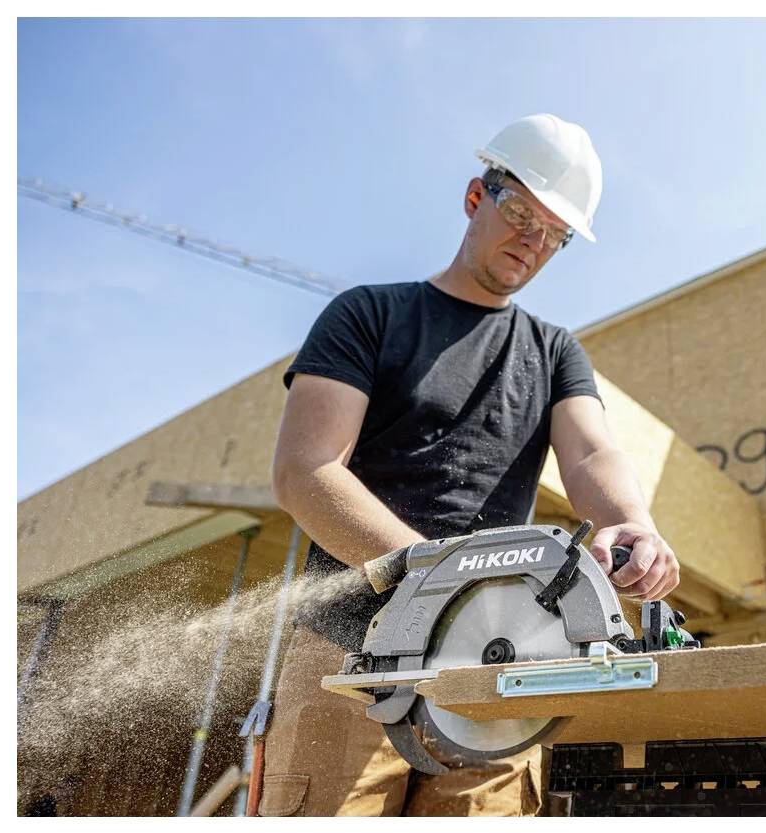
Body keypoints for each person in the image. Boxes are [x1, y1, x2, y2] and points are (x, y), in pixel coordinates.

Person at [261, 113, 680, 817]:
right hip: (350, 654)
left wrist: (632, 522)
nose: (533, 240)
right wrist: (437, 578)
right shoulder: (369, 315)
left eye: (556, 233)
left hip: (502, 659)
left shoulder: (552, 352)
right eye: (521, 213)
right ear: (474, 196)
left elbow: (593, 451)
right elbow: (307, 470)